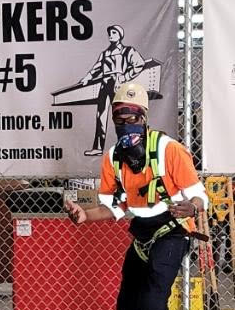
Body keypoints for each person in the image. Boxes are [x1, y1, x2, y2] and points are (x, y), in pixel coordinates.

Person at [65, 83, 208, 310]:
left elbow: (199, 195)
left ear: (144, 118)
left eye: (132, 119)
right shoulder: (113, 158)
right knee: (127, 302)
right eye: (119, 121)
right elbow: (115, 207)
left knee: (152, 302)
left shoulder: (169, 150)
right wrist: (84, 216)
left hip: (172, 231)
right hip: (142, 234)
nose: (125, 126)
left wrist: (192, 206)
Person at [80, 25, 146, 156]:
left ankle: (128, 147)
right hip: (105, 83)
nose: (111, 35)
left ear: (120, 35)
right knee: (101, 116)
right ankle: (98, 147)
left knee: (124, 117)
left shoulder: (127, 51)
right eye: (110, 33)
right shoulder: (105, 53)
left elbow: (139, 64)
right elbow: (96, 69)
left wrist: (124, 77)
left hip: (118, 84)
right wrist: (87, 78)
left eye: (114, 32)